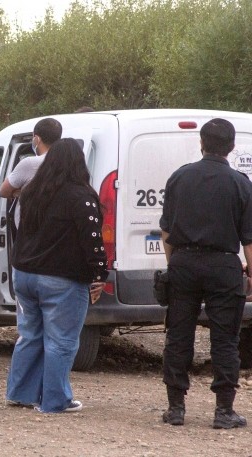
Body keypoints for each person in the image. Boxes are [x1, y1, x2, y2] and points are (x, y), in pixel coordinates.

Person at [159, 118, 252, 429]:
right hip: (224, 266)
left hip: (184, 263)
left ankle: (176, 408)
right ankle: (224, 411)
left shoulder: (179, 178)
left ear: (201, 143)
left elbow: (166, 231)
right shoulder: (240, 184)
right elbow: (249, 240)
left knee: (178, 335)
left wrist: (175, 264)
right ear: (231, 146)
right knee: (225, 339)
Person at [5, 138, 107, 413]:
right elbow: (92, 239)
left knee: (30, 335)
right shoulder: (81, 196)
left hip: (24, 274)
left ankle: (21, 393)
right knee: (61, 340)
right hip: (62, 278)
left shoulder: (31, 192)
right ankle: (55, 400)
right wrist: (99, 273)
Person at [0, 118, 62, 228]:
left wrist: (21, 192)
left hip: (30, 231)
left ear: (37, 139)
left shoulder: (30, 163)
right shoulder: (67, 162)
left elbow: (3, 191)